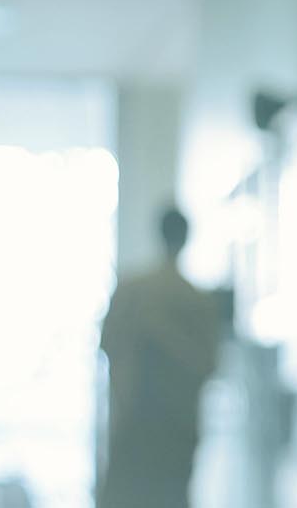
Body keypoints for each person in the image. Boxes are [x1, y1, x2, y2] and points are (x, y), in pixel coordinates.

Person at [98, 208, 225, 508]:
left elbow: (107, 345)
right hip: (176, 430)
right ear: (186, 239)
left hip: (135, 424)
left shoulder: (133, 290)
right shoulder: (197, 300)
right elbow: (210, 365)